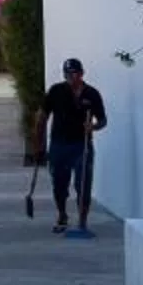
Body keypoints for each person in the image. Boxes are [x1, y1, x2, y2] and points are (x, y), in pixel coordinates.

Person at [39, 57, 110, 239]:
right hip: (59, 145)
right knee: (59, 185)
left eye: (75, 74)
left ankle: (82, 223)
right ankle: (62, 214)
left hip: (81, 145)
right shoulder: (56, 91)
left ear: (82, 73)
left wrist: (92, 127)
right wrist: (39, 143)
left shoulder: (92, 94)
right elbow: (43, 116)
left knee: (83, 184)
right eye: (68, 74)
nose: (71, 78)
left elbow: (102, 120)